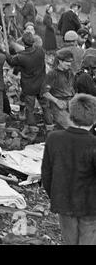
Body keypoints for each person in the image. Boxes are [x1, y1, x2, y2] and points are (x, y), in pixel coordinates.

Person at [41, 93, 96, 245]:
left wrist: (54, 195)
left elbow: (46, 173)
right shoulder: (93, 143)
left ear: (70, 114)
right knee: (89, 237)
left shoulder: (53, 138)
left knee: (69, 239)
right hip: (90, 205)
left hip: (63, 200)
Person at [5, 32, 54, 139]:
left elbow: (11, 61)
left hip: (29, 87)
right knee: (45, 107)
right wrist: (13, 43)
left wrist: (4, 50)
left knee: (30, 109)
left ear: (23, 42)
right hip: (41, 85)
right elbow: (26, 50)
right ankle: (50, 128)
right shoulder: (40, 51)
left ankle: (33, 130)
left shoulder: (21, 57)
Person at [42, 49, 76, 129]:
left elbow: (72, 88)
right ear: (60, 61)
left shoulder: (70, 72)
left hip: (70, 103)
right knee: (70, 127)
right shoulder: (52, 74)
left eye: (71, 62)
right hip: (58, 104)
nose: (69, 64)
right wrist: (57, 101)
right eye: (67, 62)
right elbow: (44, 92)